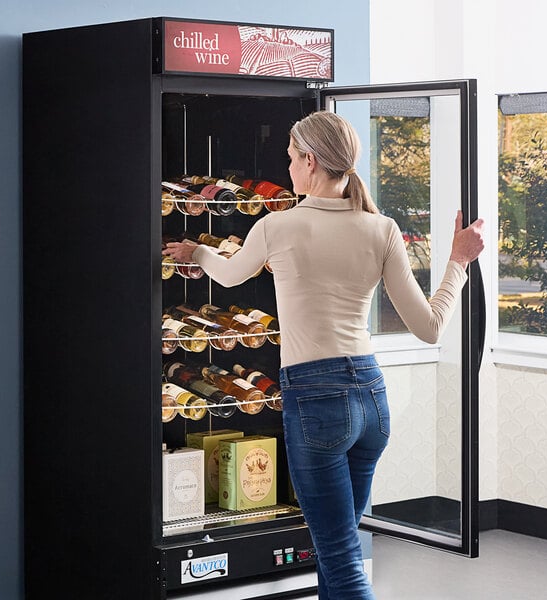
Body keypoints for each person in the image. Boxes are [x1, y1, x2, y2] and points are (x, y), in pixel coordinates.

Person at [163, 110, 484, 600]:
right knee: (340, 555)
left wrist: (196, 252)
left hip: (317, 403)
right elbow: (430, 325)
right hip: (371, 403)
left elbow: (227, 277)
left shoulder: (278, 226)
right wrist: (458, 261)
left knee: (340, 559)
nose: (287, 168)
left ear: (310, 162)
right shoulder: (383, 229)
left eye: (291, 158)